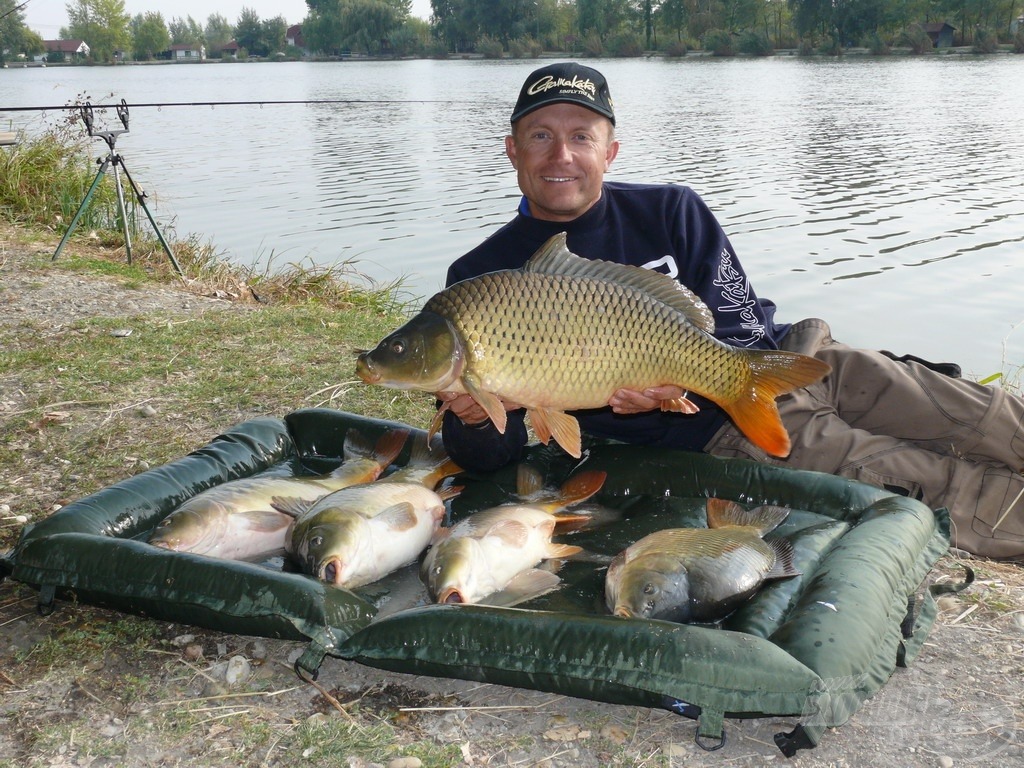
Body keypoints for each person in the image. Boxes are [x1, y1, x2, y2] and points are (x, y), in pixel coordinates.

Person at [436, 62, 1024, 561]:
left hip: (796, 356)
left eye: (581, 136)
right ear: (512, 149)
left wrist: (730, 367)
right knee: (931, 480)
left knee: (984, 413)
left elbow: (739, 316)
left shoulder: (671, 209)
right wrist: (470, 416)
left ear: (609, 151)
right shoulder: (479, 279)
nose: (560, 154)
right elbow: (494, 452)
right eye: (539, 135)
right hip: (717, 423)